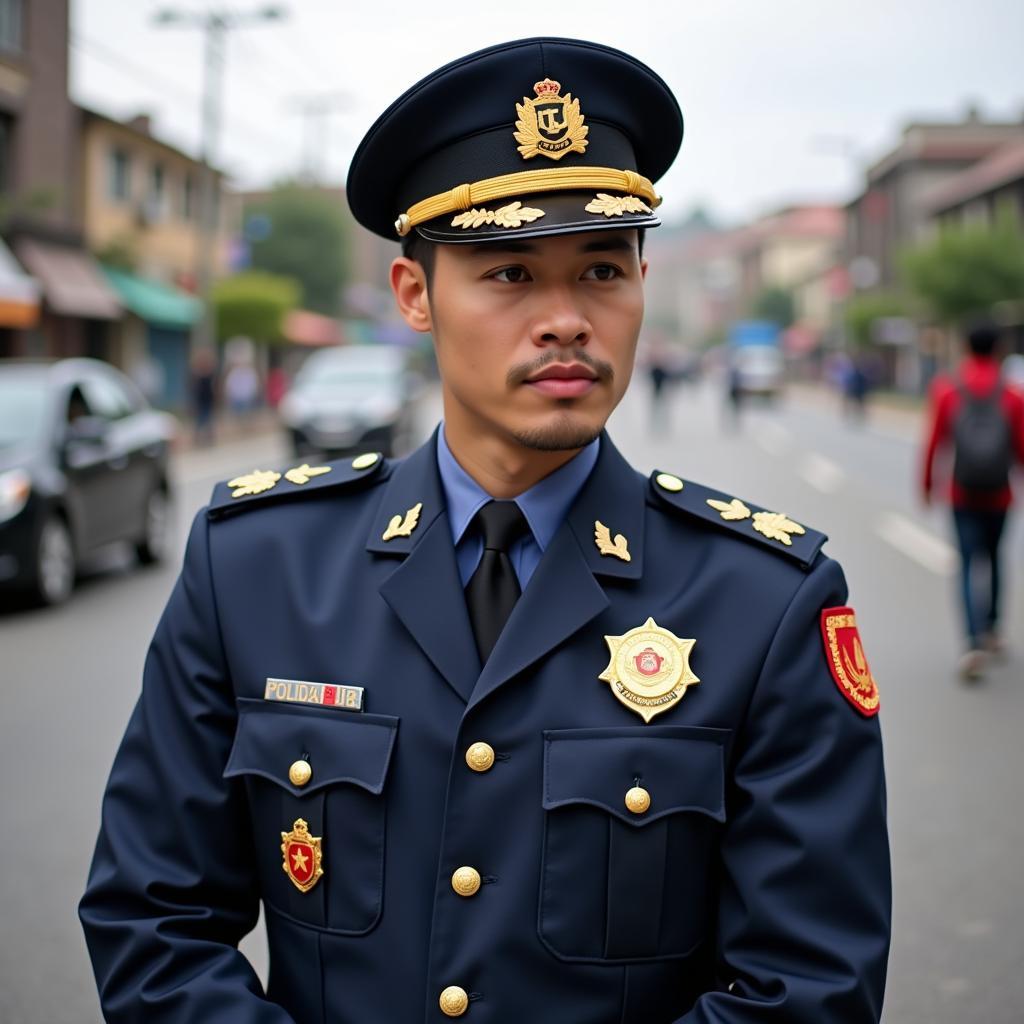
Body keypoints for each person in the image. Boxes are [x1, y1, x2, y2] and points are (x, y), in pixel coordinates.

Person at [80, 38, 890, 1023]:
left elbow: (807, 986)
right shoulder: (255, 564)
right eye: (509, 274)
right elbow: (154, 920)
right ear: (414, 295)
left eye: (600, 269)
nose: (565, 320)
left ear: (641, 282)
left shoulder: (763, 599)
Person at [921, 319, 1024, 680]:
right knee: (995, 559)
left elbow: (936, 441)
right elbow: (1021, 447)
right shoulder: (1011, 393)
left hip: (961, 493)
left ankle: (971, 642)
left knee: (966, 564)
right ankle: (993, 629)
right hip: (1000, 494)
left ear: (966, 347)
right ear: (997, 350)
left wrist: (927, 484)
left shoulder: (948, 389)